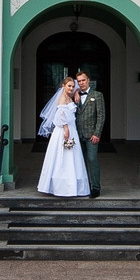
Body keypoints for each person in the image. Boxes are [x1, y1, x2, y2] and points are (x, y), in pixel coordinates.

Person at [36, 78, 91, 198]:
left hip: (72, 129)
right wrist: (66, 129)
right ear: (63, 86)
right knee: (63, 156)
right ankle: (61, 187)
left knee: (72, 157)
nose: (71, 88)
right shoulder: (62, 98)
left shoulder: (70, 96)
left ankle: (72, 186)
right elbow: (60, 115)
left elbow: (77, 86)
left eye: (72, 86)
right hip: (64, 130)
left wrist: (76, 92)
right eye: (69, 86)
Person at [73, 69, 106, 198]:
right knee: (79, 162)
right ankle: (83, 187)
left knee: (92, 160)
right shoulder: (74, 96)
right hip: (77, 134)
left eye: (83, 80)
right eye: (79, 81)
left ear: (89, 81)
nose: (81, 83)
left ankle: (96, 187)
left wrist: (97, 133)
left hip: (91, 135)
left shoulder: (97, 95)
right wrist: (75, 91)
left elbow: (101, 116)